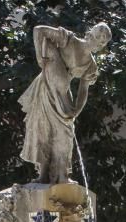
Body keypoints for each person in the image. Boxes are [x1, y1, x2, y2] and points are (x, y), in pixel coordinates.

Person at [18, 22, 111, 184]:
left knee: (65, 133)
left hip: (62, 95)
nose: (99, 44)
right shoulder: (69, 40)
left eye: (103, 43)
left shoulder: (90, 65)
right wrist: (40, 56)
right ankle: (43, 174)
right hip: (46, 88)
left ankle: (62, 174)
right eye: (98, 38)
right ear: (90, 34)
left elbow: (83, 90)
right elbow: (38, 30)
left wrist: (76, 110)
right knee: (43, 130)